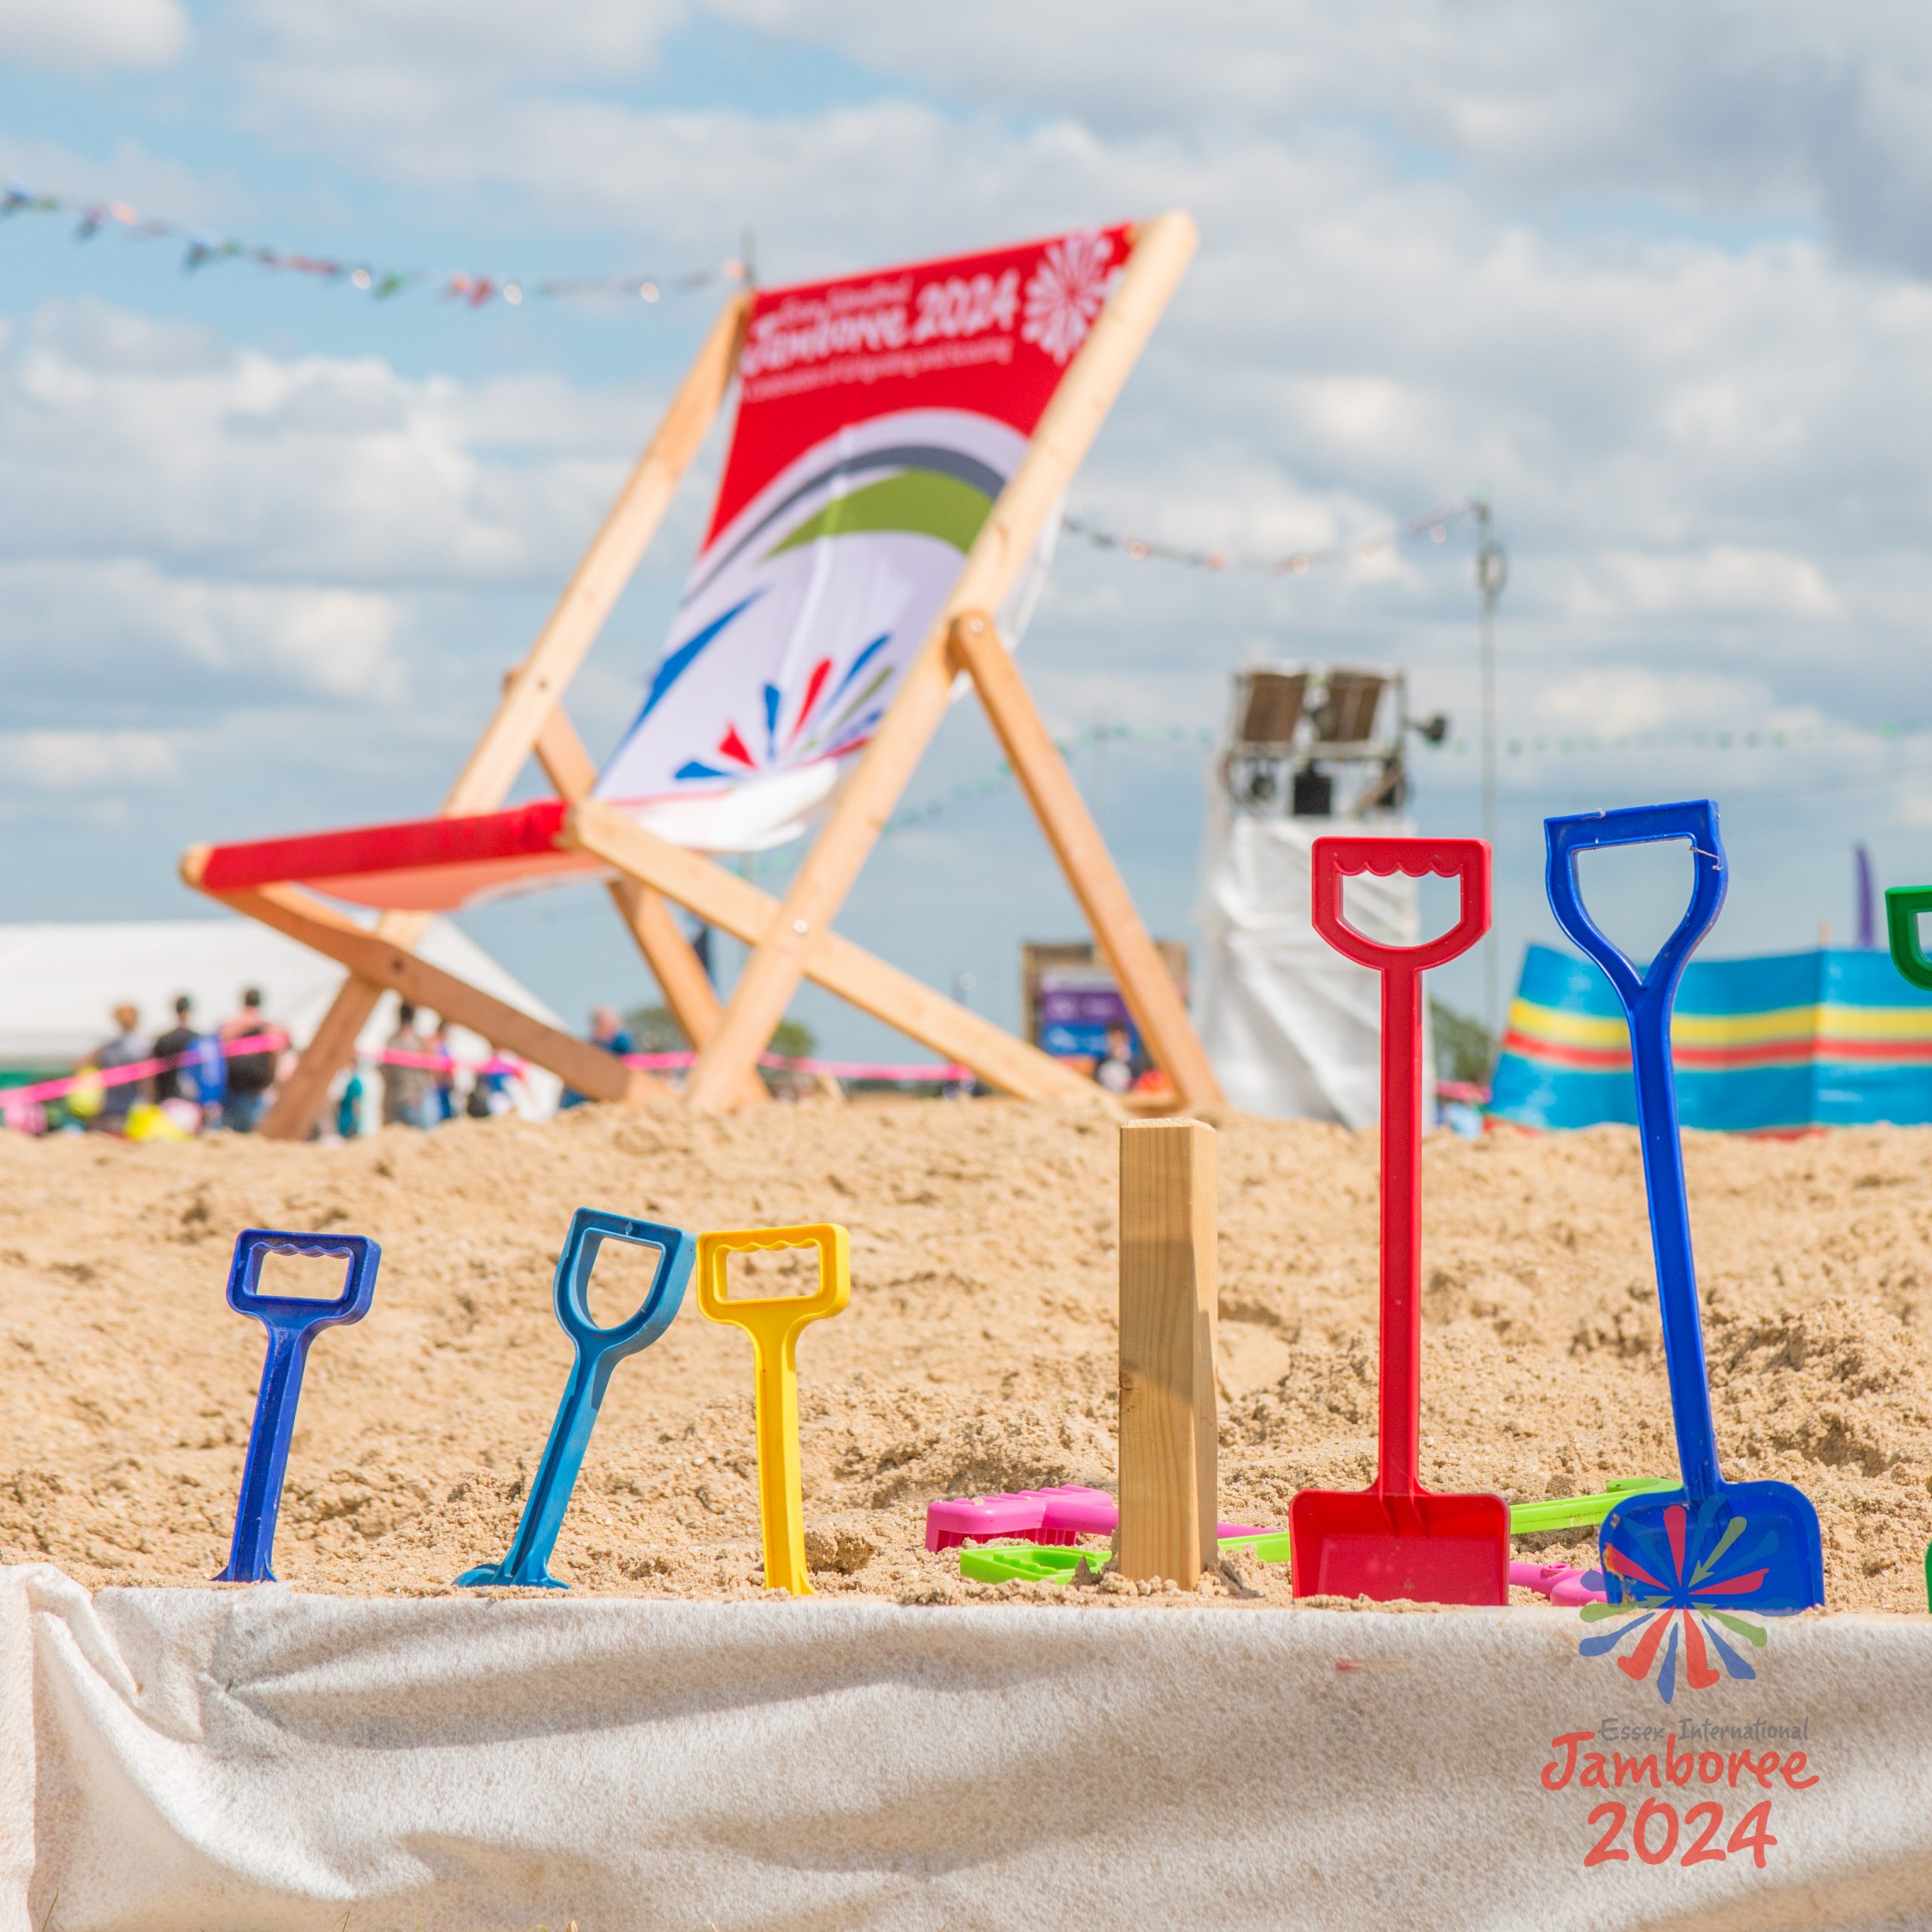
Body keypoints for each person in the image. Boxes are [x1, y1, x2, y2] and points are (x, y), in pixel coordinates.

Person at [220, 989, 280, 1133]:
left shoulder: (231, 1026)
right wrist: (271, 1078)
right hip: (257, 1086)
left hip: (236, 1085)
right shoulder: (268, 1027)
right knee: (254, 1127)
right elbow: (275, 1054)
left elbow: (223, 1053)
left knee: (232, 1129)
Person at [558, 1006, 635, 1110]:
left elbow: (627, 1050)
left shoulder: (618, 1042)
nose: (615, 1027)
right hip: (579, 1101)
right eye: (613, 1024)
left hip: (603, 1098)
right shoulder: (591, 1046)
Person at [87, 1004, 148, 1131]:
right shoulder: (143, 1048)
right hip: (134, 1108)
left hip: (111, 1107)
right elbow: (147, 1082)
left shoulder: (107, 1048)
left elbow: (83, 1065)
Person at [383, 1001, 438, 1130]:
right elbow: (430, 1072)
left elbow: (387, 1074)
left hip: (398, 1098)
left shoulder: (392, 1042)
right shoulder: (420, 1042)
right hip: (416, 1099)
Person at [152, 996, 198, 1105]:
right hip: (193, 1101)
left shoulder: (163, 1039)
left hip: (167, 1099)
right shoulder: (197, 1039)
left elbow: (154, 1073)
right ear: (189, 1011)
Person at [1094, 1021, 1138, 1095]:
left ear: (1126, 1039)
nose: (1116, 1041)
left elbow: (1137, 1085)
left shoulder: (1134, 1063)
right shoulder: (1101, 1061)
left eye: (1119, 1038)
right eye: (1113, 1037)